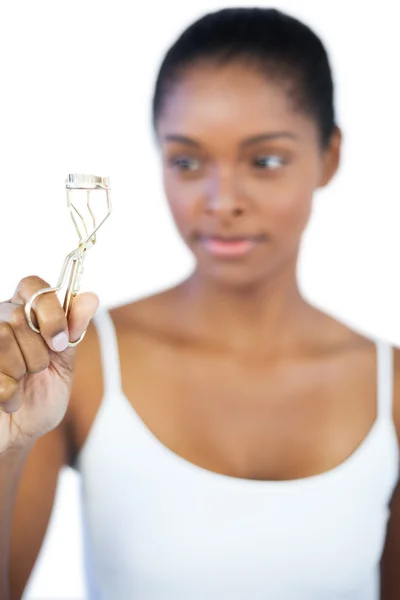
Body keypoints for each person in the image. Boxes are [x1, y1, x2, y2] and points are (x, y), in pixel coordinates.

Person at [0, 6, 399, 600]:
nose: (221, 200)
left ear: (330, 156)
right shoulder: (74, 368)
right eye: (187, 161)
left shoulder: (390, 390)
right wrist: (8, 443)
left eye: (265, 160)